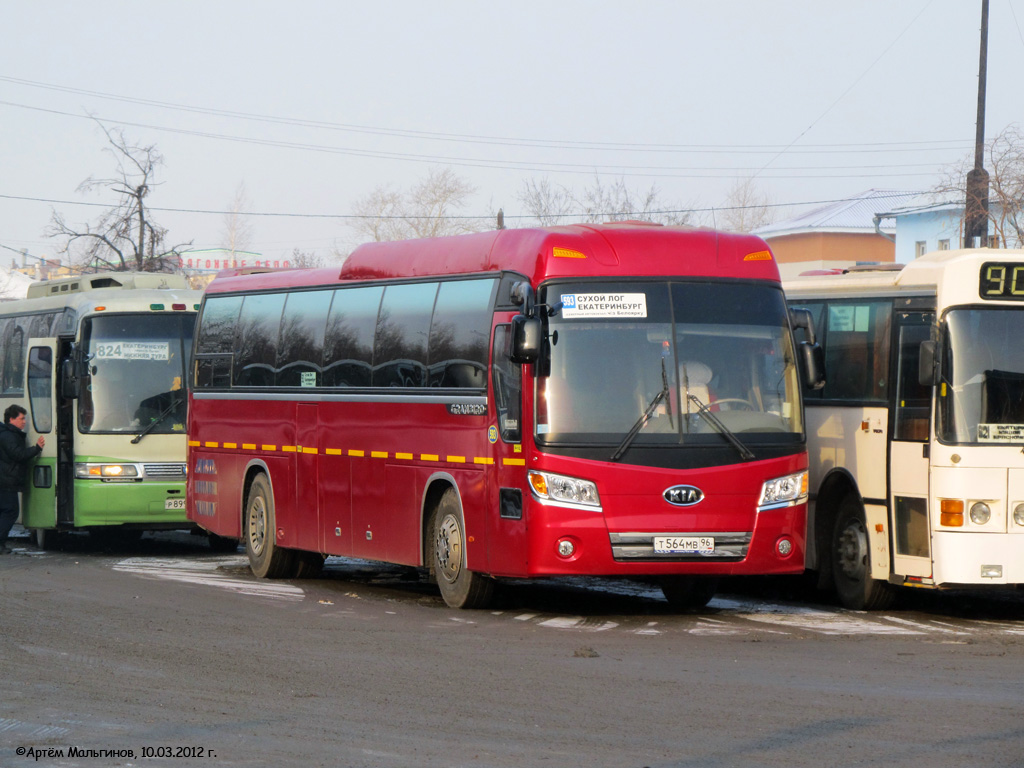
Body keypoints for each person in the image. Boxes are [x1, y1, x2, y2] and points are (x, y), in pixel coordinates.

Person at [0, 405, 45, 554]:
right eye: (21, 418)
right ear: (12, 419)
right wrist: (36, 448)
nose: (24, 422)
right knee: (10, 511)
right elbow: (18, 454)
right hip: (6, 481)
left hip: (5, 479)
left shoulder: (8, 434)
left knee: (6, 511)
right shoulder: (8, 436)